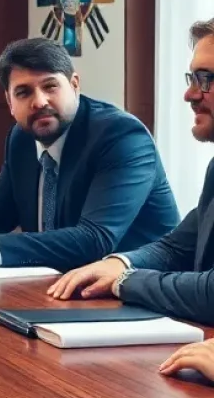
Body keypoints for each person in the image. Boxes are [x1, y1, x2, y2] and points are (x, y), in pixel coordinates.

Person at [0, 37, 179, 271]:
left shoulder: (121, 136)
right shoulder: (21, 137)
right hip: (60, 287)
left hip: (140, 291)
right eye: (24, 92)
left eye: (50, 86)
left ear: (74, 85)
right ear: (10, 103)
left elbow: (95, 239)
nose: (39, 101)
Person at [49, 18, 214, 329]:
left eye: (205, 79)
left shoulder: (120, 134)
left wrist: (124, 281)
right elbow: (177, 247)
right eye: (191, 78)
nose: (189, 95)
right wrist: (116, 263)